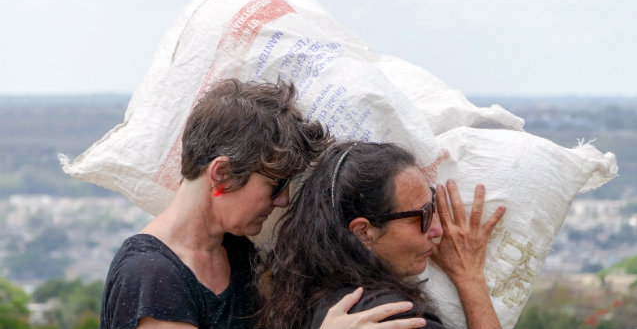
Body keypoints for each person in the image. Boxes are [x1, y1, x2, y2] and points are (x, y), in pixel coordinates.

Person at [100, 79, 427, 329]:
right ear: (222, 173)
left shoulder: (236, 251)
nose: (283, 201)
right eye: (276, 184)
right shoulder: (150, 276)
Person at [257, 141, 507, 329]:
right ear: (364, 232)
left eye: (433, 204)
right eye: (421, 216)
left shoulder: (308, 296)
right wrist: (470, 279)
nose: (437, 230)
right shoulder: (393, 318)